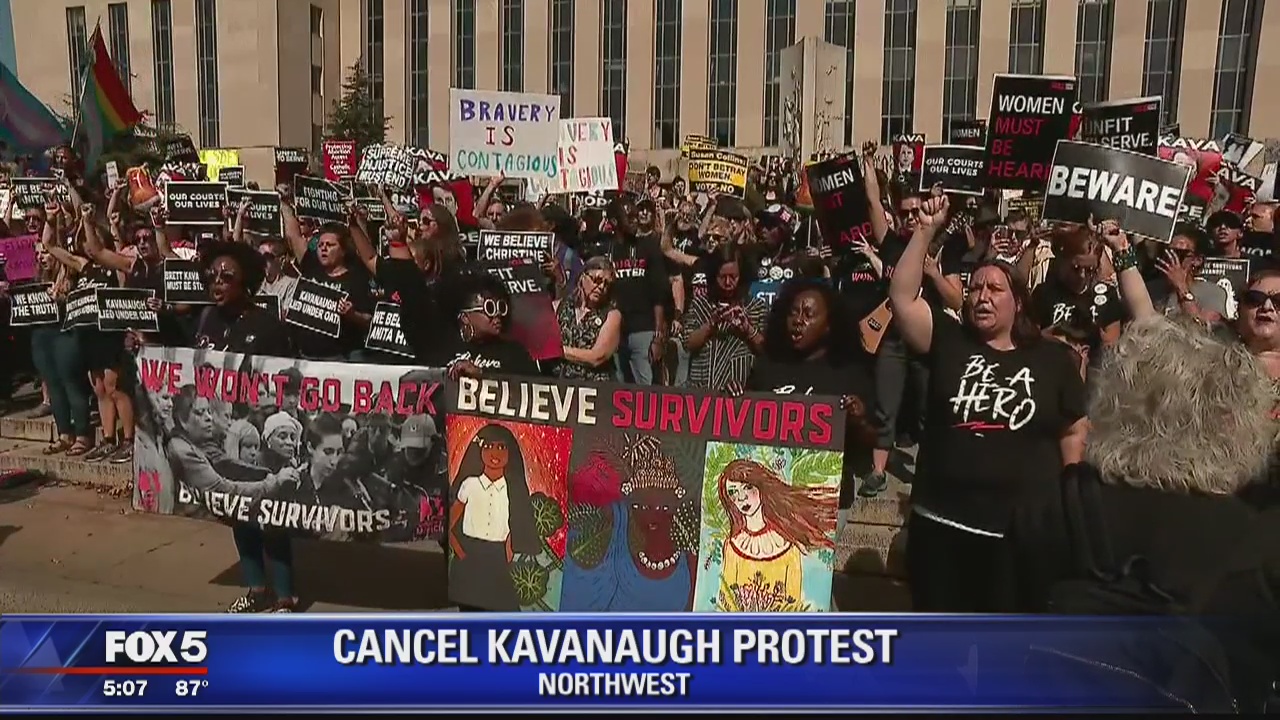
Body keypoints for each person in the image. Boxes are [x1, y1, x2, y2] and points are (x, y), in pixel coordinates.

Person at [1013, 218, 1280, 711]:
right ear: (1232, 417)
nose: (1265, 309)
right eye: (1255, 299)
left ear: (1125, 397)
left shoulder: (1063, 502)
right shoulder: (1254, 547)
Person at [887, 195, 1088, 613]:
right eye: (975, 288)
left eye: (994, 289)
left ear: (1018, 300)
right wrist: (924, 230)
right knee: (941, 650)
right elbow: (903, 298)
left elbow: (1073, 429)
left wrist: (1072, 494)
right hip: (942, 529)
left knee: (1007, 651)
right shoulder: (947, 341)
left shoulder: (1052, 359)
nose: (981, 296)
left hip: (1018, 539)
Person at [746, 279, 877, 517]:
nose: (798, 320)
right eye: (793, 313)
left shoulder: (849, 373)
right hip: (769, 498)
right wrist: (733, 401)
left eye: (809, 314)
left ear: (828, 325)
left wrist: (859, 421)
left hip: (826, 502)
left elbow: (871, 440)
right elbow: (745, 426)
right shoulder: (768, 365)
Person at [714, 458, 838, 612]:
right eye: (733, 492)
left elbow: (793, 605)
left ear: (760, 488)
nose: (741, 497)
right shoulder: (732, 547)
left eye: (747, 487)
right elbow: (727, 603)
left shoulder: (788, 547)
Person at [448, 423, 541, 611]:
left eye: (501, 447)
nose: (495, 453)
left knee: (505, 612)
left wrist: (507, 551)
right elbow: (451, 523)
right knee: (470, 611)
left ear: (510, 453)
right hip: (470, 557)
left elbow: (513, 520)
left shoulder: (512, 488)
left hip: (496, 559)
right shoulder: (470, 485)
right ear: (480, 451)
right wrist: (461, 553)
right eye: (489, 446)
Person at [681, 244, 767, 391]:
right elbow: (688, 344)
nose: (728, 283)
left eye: (733, 277)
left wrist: (748, 329)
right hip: (700, 391)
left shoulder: (756, 306)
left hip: (738, 395)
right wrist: (711, 324)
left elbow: (766, 350)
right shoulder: (700, 304)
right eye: (722, 277)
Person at [554, 256, 622, 382]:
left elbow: (596, 357)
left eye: (606, 284)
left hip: (595, 389)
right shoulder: (559, 307)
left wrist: (558, 350)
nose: (601, 287)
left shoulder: (612, 315)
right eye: (597, 280)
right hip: (560, 387)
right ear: (583, 277)